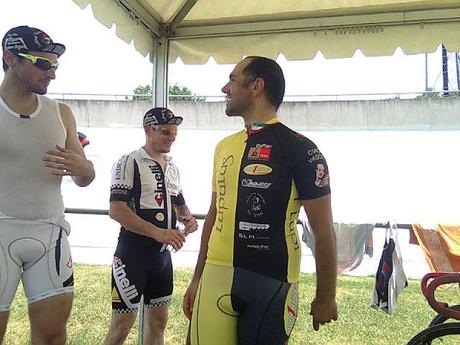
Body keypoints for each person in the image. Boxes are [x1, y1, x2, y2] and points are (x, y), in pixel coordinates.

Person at [183, 56, 338, 345]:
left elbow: (324, 229)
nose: (224, 88)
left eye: (231, 79)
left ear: (256, 86)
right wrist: (196, 278)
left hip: (274, 282)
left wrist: (326, 296)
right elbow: (215, 214)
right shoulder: (223, 147)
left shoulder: (301, 149)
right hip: (216, 274)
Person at [0, 25, 95, 344]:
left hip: (50, 232)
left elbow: (84, 177)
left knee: (53, 336)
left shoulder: (61, 113)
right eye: (41, 63)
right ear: (10, 58)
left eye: (54, 64)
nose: (51, 73)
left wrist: (84, 166)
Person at [104, 107, 198, 345]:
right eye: (166, 130)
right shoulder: (129, 162)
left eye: (175, 130)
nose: (172, 136)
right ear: (148, 130)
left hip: (161, 259)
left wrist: (188, 219)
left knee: (158, 324)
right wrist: (159, 233)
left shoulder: (172, 166)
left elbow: (179, 203)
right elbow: (117, 210)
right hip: (131, 254)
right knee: (121, 328)